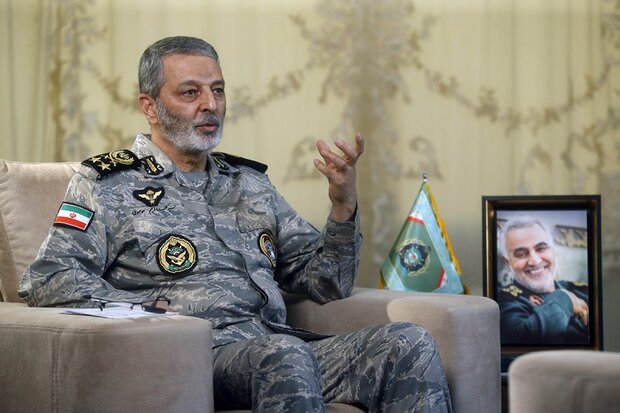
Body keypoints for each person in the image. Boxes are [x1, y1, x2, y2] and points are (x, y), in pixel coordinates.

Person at [18, 36, 452, 412]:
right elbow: (50, 277)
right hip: (194, 356)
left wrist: (343, 206)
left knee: (408, 343)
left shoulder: (249, 183)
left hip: (276, 346)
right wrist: (153, 313)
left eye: (218, 90)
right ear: (149, 106)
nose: (211, 105)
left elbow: (327, 282)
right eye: (190, 92)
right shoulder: (107, 183)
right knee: (283, 354)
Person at [497, 215, 589, 345]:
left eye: (541, 248)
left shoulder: (583, 291)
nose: (535, 261)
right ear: (508, 263)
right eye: (521, 254)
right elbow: (520, 337)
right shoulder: (501, 301)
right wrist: (564, 300)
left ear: (553, 251)